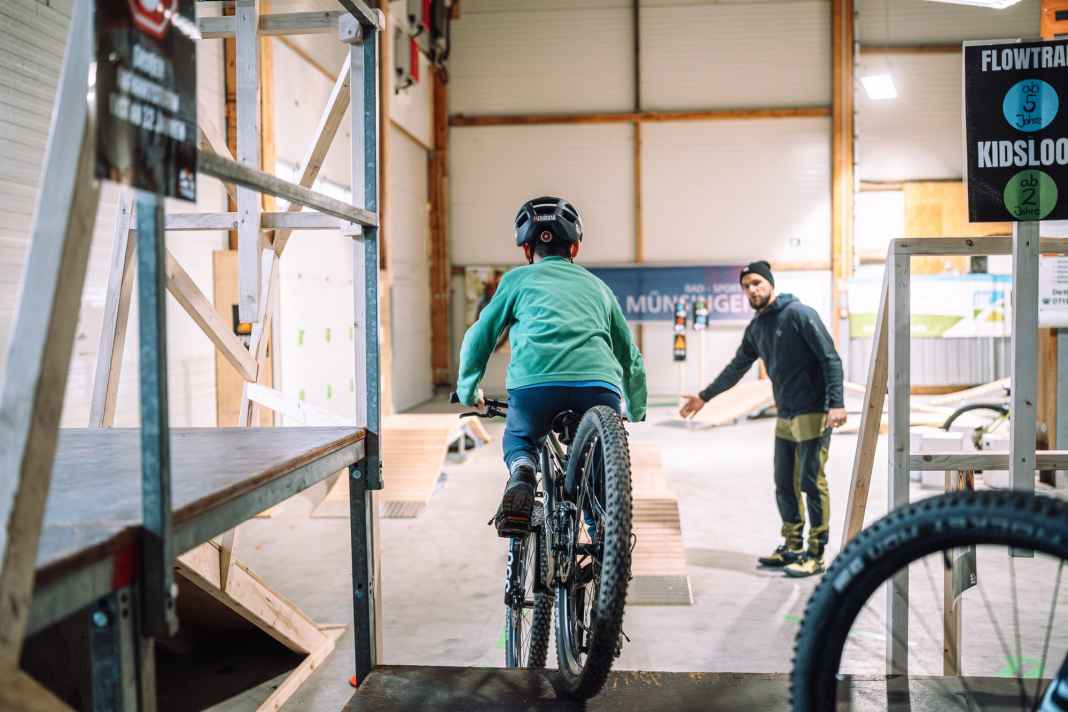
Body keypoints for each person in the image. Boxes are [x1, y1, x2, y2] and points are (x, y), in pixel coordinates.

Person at [456, 196, 648, 536]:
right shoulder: (598, 287)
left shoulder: (517, 281)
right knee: (596, 467)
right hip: (598, 387)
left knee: (520, 436)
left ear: (527, 250)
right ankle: (603, 533)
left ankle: (523, 472)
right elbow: (629, 355)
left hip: (535, 387)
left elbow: (479, 337)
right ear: (574, 248)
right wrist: (636, 406)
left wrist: (467, 390)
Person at [680, 261, 846, 578]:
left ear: (769, 283)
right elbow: (736, 368)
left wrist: (836, 403)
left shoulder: (799, 314)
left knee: (811, 481)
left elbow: (830, 359)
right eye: (746, 286)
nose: (752, 290)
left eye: (757, 283)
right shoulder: (757, 328)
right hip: (785, 413)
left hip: (813, 410)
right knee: (784, 483)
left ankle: (816, 552)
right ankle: (792, 546)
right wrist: (704, 396)